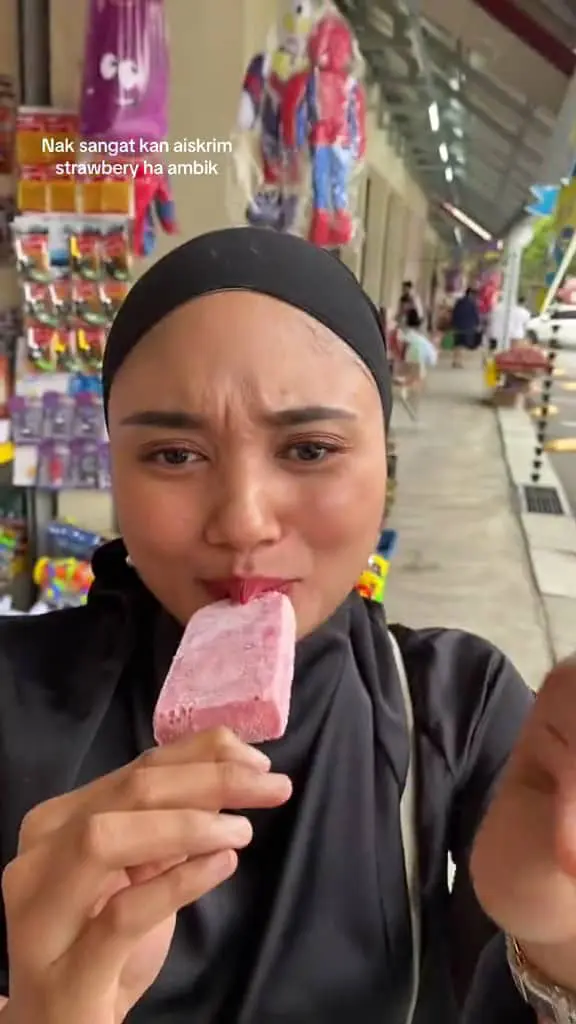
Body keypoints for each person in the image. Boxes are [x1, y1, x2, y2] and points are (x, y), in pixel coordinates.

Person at [0, 227, 576, 1024]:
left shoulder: (457, 707)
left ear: (386, 466)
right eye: (172, 455)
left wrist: (557, 955)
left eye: (308, 449)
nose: (242, 522)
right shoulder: (12, 699)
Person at [451, 287, 480, 367]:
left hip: (458, 325)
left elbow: (454, 313)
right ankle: (459, 362)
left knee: (457, 344)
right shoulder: (472, 304)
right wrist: (477, 324)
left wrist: (453, 324)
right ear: (471, 294)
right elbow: (475, 315)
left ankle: (455, 360)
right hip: (467, 327)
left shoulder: (459, 302)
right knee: (463, 344)